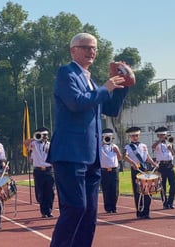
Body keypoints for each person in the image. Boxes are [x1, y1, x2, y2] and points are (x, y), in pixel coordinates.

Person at [46, 32, 129, 247]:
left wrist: (123, 85)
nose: (91, 51)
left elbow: (110, 108)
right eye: (86, 47)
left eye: (94, 48)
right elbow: (76, 103)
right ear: (73, 50)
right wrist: (106, 87)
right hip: (70, 153)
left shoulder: (91, 81)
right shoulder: (67, 73)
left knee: (90, 213)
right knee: (75, 207)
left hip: (92, 157)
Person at [124, 126, 158, 219]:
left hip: (145, 168)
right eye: (134, 135)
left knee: (148, 190)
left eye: (137, 135)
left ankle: (146, 212)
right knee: (138, 191)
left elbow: (147, 156)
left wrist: (154, 164)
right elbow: (125, 157)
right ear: (130, 136)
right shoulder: (128, 146)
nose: (136, 137)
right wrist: (133, 163)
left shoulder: (143, 145)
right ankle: (140, 212)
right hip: (136, 169)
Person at [24, 127, 55, 218]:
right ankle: (43, 211)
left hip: (49, 170)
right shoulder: (34, 144)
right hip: (38, 171)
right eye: (42, 135)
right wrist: (35, 137)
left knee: (50, 192)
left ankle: (49, 211)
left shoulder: (50, 144)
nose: (44, 137)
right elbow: (25, 143)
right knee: (40, 192)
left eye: (45, 135)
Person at [152, 126, 175, 209]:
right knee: (163, 185)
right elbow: (153, 147)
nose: (163, 136)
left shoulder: (169, 143)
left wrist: (170, 147)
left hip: (170, 165)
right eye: (161, 135)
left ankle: (171, 201)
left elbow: (173, 154)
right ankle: (165, 203)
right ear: (158, 135)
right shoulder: (157, 143)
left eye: (164, 135)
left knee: (174, 183)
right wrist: (160, 141)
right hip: (161, 165)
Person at [100, 128, 122, 213]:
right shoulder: (99, 147)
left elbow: (120, 158)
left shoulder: (114, 146)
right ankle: (108, 207)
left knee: (115, 189)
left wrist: (118, 152)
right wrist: (102, 143)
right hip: (104, 170)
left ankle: (114, 206)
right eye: (106, 137)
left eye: (109, 137)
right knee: (106, 189)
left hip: (114, 170)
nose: (108, 139)